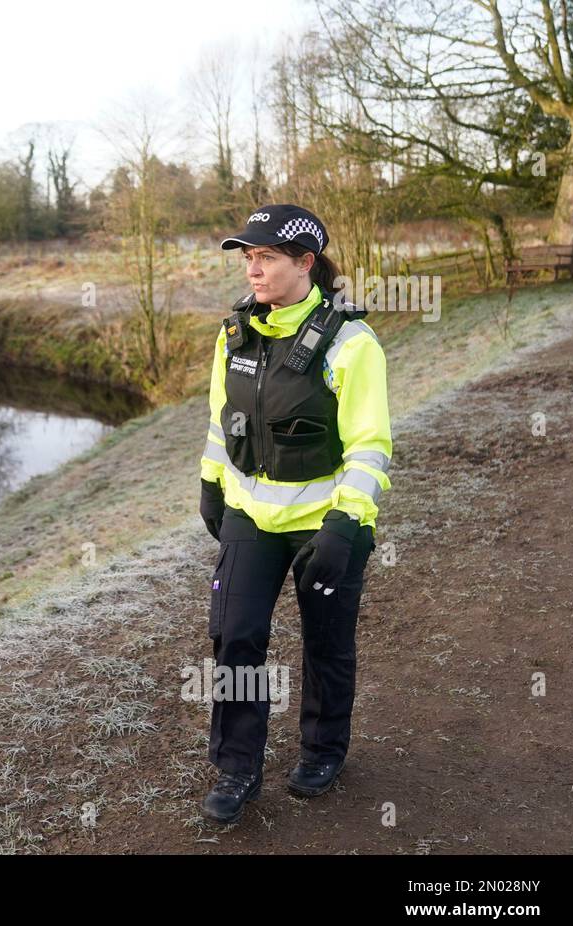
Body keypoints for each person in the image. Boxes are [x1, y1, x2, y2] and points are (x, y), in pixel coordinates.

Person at [196, 204, 392, 825]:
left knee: (326, 642)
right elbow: (218, 424)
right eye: (247, 257)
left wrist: (347, 521)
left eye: (267, 257)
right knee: (236, 637)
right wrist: (210, 483)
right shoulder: (234, 335)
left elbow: (370, 446)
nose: (253, 269)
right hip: (250, 518)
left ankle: (323, 749)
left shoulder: (350, 342)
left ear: (305, 263)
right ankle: (237, 764)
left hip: (327, 523)